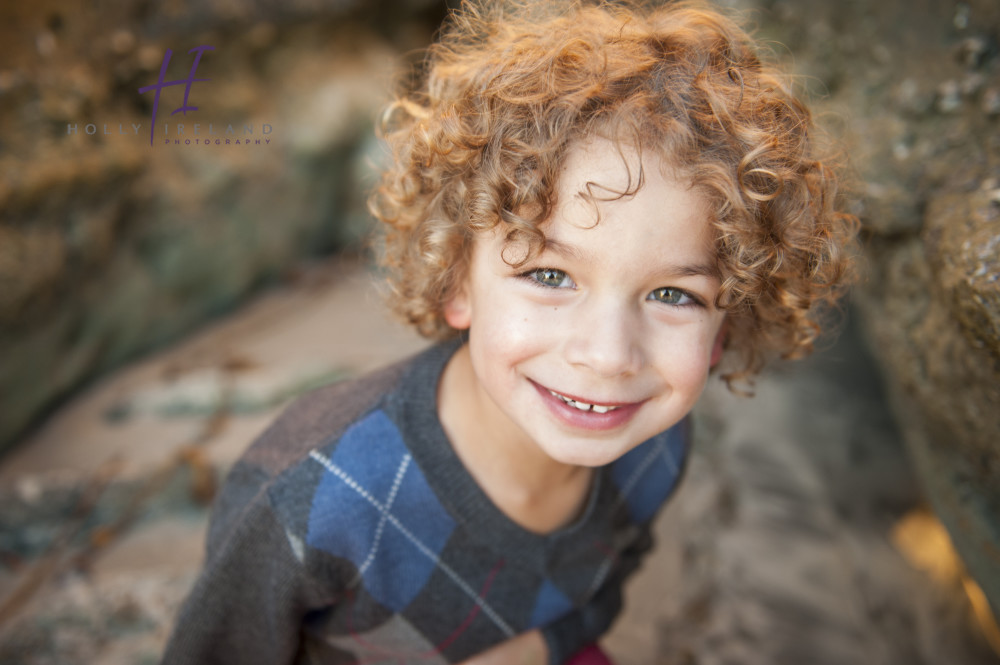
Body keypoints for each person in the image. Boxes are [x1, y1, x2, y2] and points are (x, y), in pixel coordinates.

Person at [161, 1, 858, 663]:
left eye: (673, 293)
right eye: (550, 275)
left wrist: (544, 647)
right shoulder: (312, 496)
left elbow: (608, 579)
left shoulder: (655, 447)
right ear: (456, 280)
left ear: (725, 322)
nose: (608, 356)